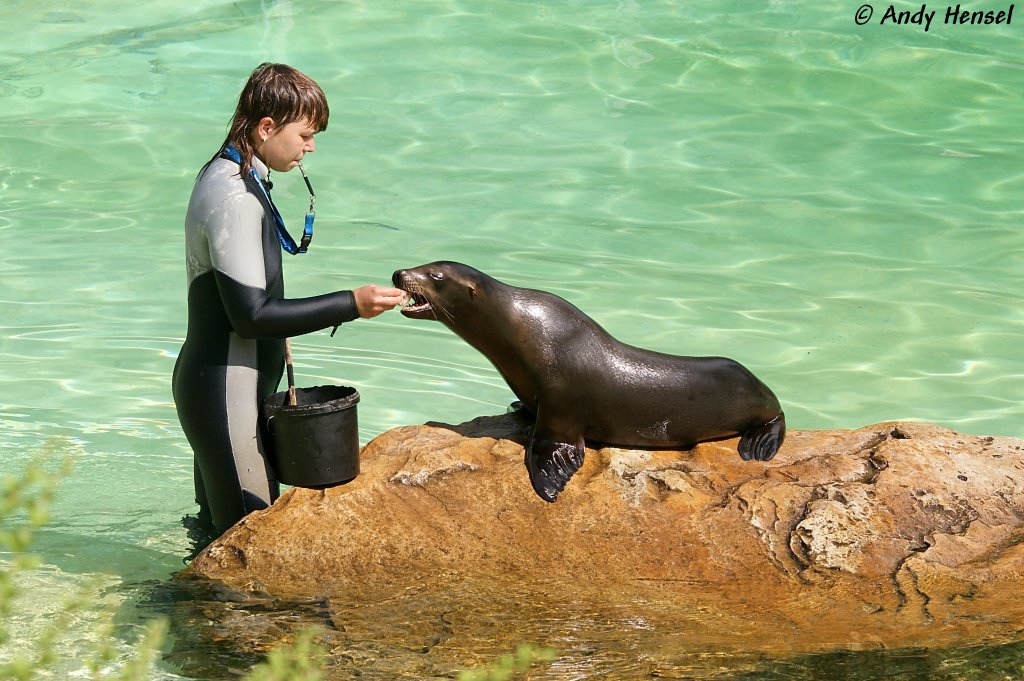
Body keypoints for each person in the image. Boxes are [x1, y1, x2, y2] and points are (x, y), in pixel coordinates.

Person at [172, 63, 407, 540]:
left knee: (214, 539)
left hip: (220, 387)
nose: (311, 146)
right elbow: (252, 316)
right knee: (249, 539)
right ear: (265, 128)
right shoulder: (235, 197)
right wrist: (352, 302)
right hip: (226, 393)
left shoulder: (225, 174)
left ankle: (181, 614)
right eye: (305, 134)